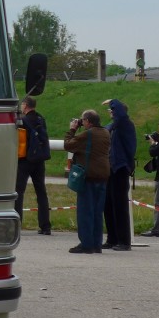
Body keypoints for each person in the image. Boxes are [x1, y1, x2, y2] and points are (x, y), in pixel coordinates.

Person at [63, 109, 111, 254]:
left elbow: (68, 145)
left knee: (85, 212)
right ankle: (96, 244)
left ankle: (86, 244)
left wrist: (72, 129)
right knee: (97, 212)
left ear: (88, 121)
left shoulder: (88, 134)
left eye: (83, 120)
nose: (81, 122)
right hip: (103, 176)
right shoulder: (105, 133)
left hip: (89, 176)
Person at [102, 99, 137, 250]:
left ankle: (124, 241)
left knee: (120, 205)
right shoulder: (113, 126)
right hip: (110, 168)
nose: (110, 112)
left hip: (120, 168)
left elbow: (121, 116)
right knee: (108, 204)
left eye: (113, 110)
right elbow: (102, 130)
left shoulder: (125, 124)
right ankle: (112, 238)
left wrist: (113, 101)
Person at [15, 95, 52, 234]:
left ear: (25, 105)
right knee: (41, 192)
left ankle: (17, 225)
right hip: (39, 160)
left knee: (19, 192)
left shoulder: (23, 120)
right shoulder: (41, 119)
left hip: (25, 160)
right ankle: (45, 226)